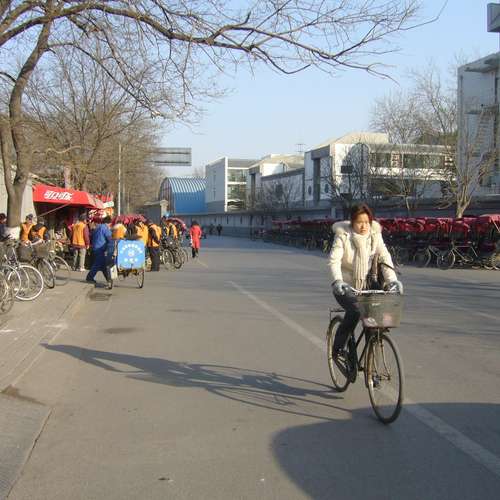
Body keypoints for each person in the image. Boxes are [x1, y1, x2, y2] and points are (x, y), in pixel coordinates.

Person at [329, 204, 403, 357]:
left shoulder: (375, 234)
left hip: (367, 284)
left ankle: (371, 354)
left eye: (367, 222)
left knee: (376, 315)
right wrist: (338, 280)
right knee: (356, 311)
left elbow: (384, 257)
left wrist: (393, 281)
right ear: (352, 222)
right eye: (359, 222)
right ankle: (338, 347)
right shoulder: (343, 235)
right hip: (345, 286)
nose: (364, 226)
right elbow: (334, 260)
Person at [86, 216, 113, 287]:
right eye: (110, 224)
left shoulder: (98, 227)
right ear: (108, 223)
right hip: (100, 249)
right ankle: (89, 278)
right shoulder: (105, 228)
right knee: (97, 264)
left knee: (103, 265)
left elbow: (92, 235)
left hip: (95, 247)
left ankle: (109, 279)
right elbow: (109, 238)